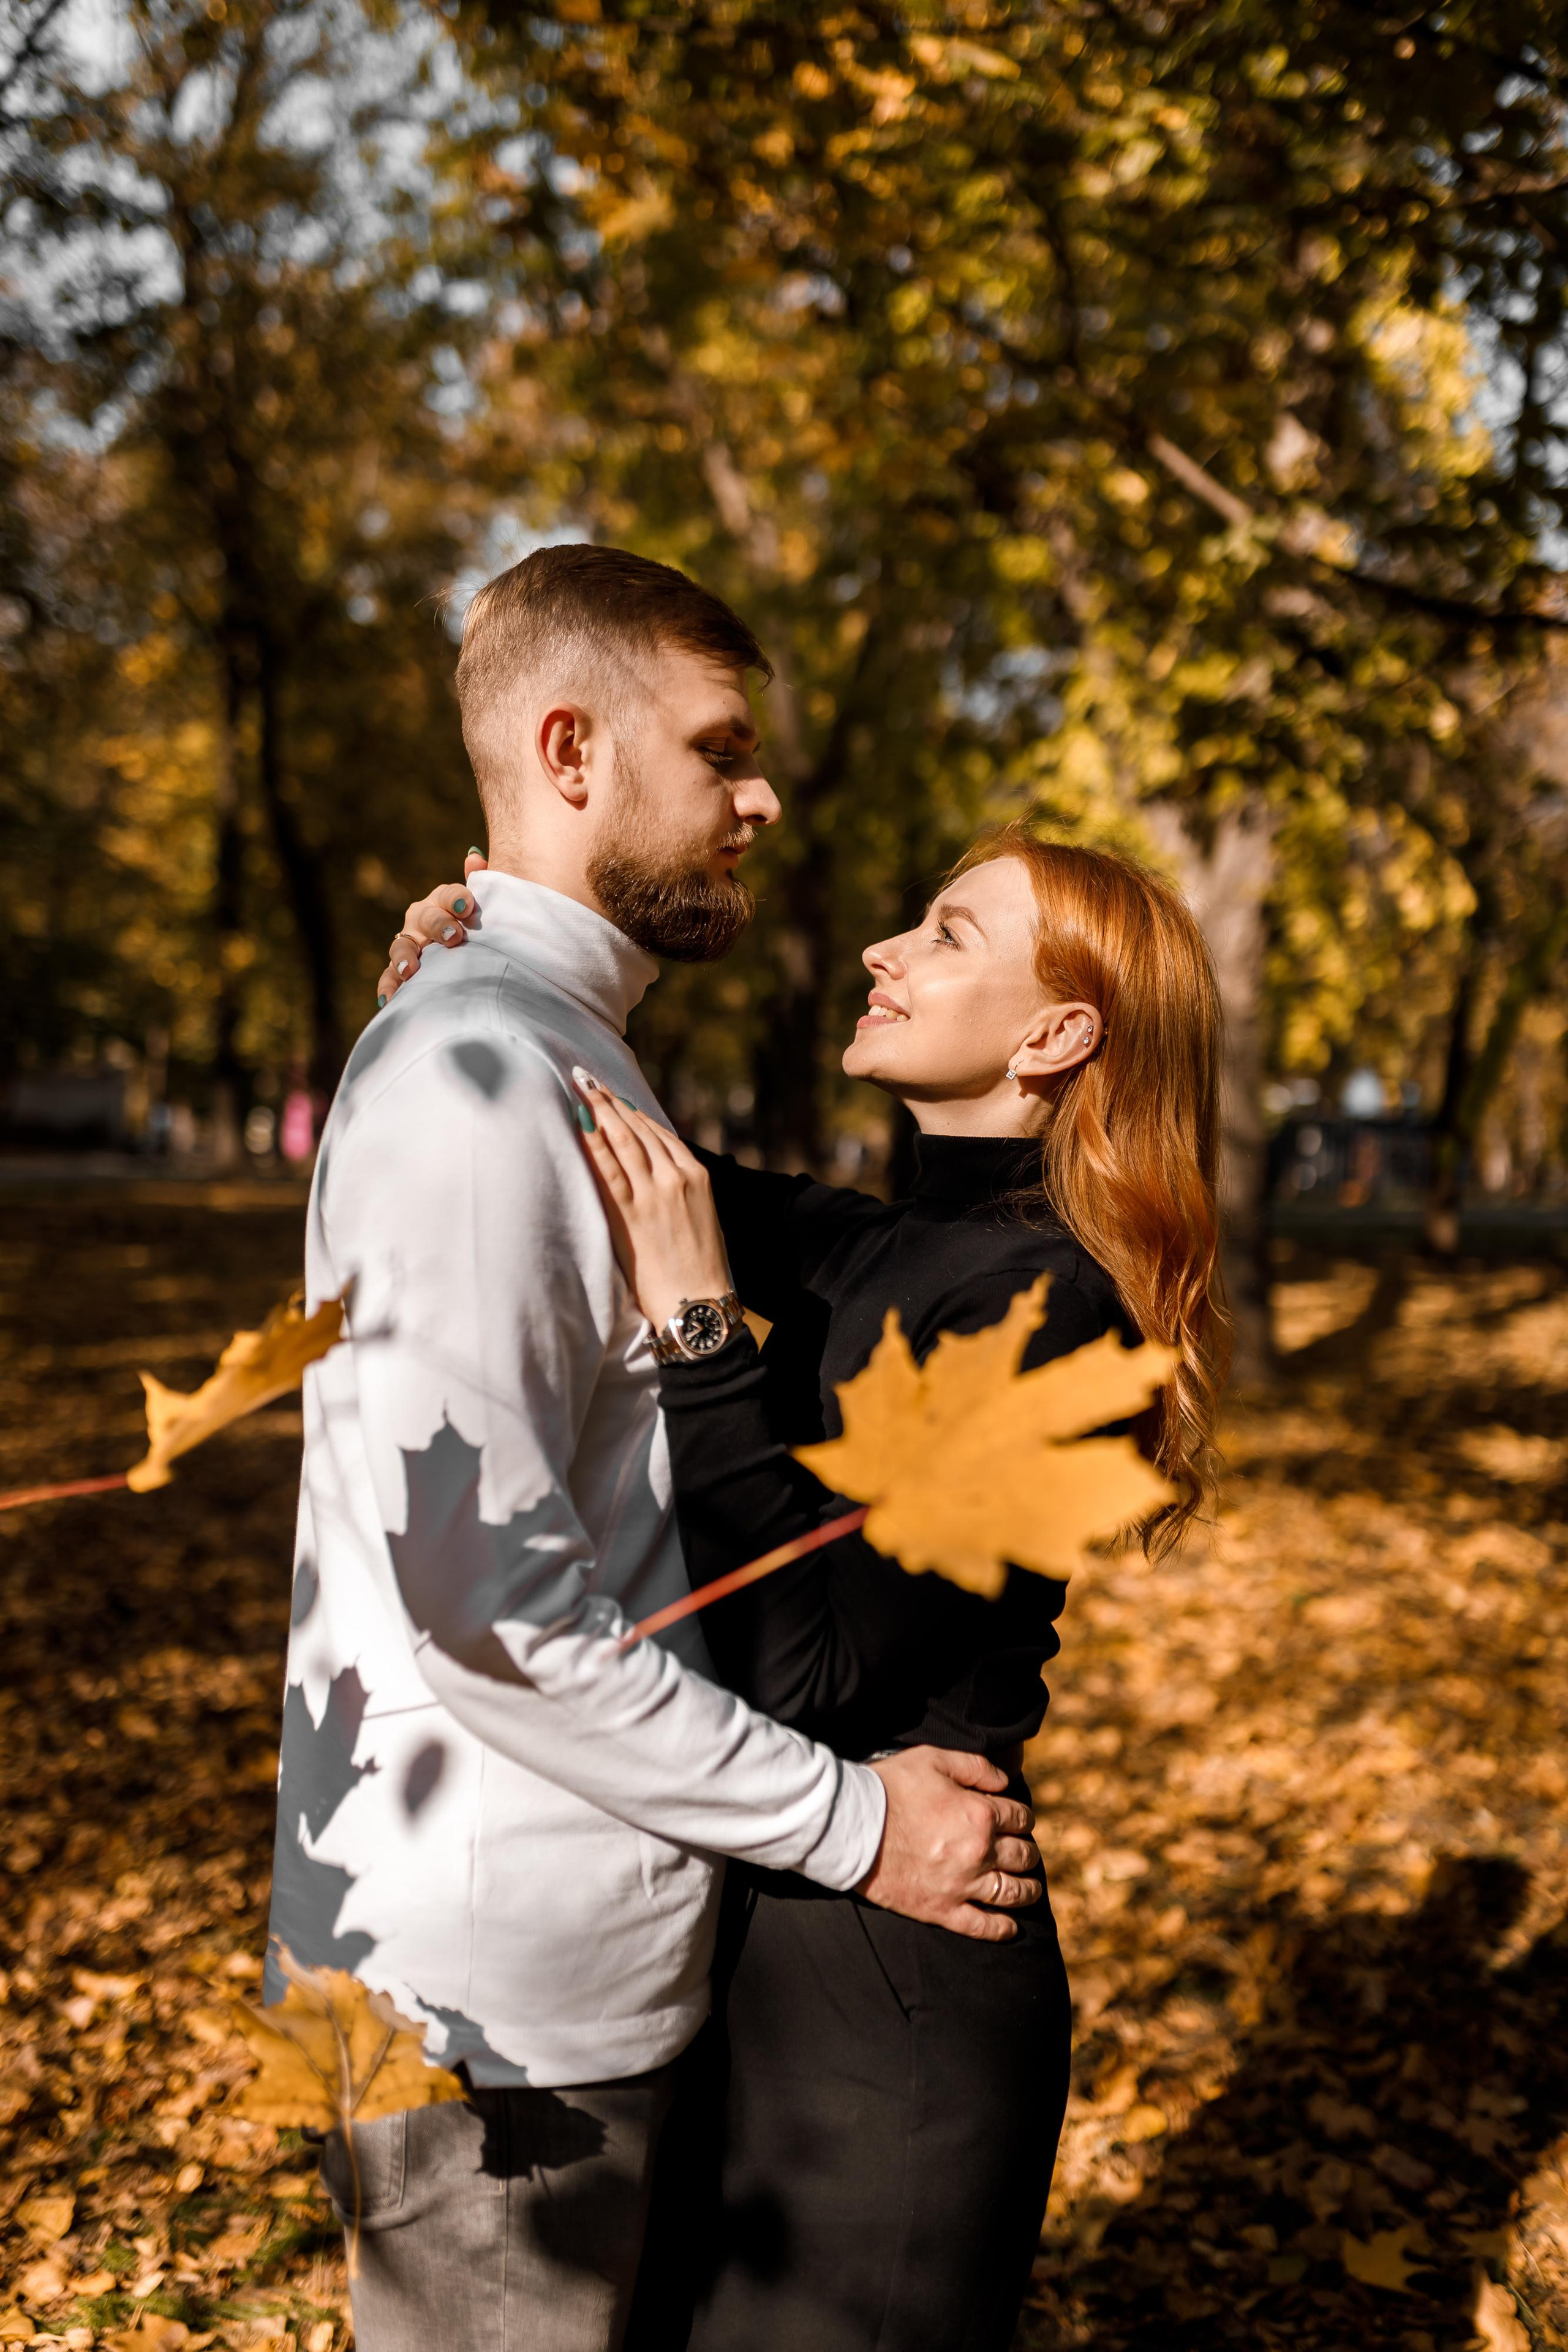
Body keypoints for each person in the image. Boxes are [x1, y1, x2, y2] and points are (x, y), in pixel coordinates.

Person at [277, 545, 1041, 2352]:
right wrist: (863, 1828)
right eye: (719, 750)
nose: (761, 797)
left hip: (582, 1965)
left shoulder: (559, 1047)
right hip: (489, 2021)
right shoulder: (478, 1081)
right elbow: (490, 1607)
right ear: (569, 750)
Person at [379, 821, 1228, 2350]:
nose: (881, 952)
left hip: (896, 1986)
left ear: (1055, 1035)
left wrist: (706, 1336)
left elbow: (810, 1665)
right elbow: (604, 1147)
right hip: (766, 1918)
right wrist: (469, 973)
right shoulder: (889, 1242)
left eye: (948, 934)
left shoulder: (1054, 1314)